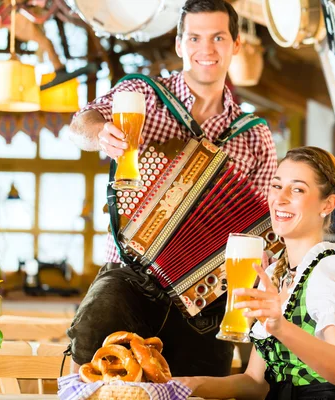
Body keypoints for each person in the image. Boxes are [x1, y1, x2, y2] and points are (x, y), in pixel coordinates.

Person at [66, 0, 277, 377]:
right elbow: (81, 123)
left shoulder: (254, 135)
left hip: (207, 299)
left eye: (218, 37)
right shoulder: (142, 95)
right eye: (194, 37)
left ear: (236, 45)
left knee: (194, 390)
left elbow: (262, 230)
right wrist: (99, 132)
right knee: (95, 368)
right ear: (180, 44)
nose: (206, 49)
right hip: (129, 277)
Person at [177, 147, 335, 399]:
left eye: (297, 189)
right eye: (276, 186)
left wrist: (280, 327)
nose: (280, 198)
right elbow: (255, 382)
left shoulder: (328, 271)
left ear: (328, 204)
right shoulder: (276, 274)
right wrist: (189, 385)